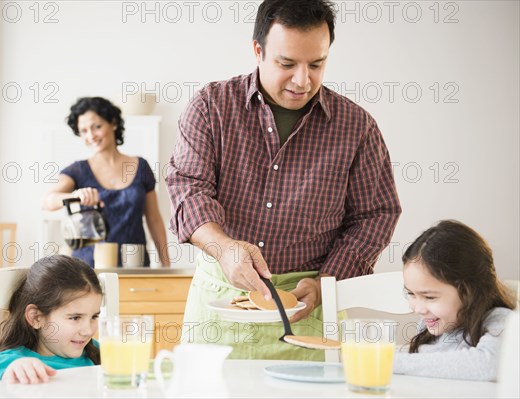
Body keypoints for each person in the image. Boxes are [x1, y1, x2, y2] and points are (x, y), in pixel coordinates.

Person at [165, 0, 401, 359]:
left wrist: (327, 282)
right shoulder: (211, 106)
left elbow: (376, 215)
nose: (302, 80)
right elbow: (188, 187)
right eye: (287, 64)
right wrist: (225, 249)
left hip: (309, 304)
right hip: (223, 295)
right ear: (258, 50)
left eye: (316, 64)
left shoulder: (357, 127)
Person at [42, 96, 170, 268]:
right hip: (88, 268)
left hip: (133, 263)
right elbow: (47, 201)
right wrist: (75, 195)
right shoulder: (77, 170)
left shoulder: (141, 167)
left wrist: (166, 265)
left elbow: (154, 219)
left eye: (97, 127)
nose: (91, 136)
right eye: (84, 131)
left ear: (113, 123)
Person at [393, 220, 516, 381]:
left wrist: (389, 362)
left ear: (469, 290)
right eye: (411, 294)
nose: (418, 309)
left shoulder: (501, 321)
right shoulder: (429, 324)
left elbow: (489, 365)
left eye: (429, 297)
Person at [0, 255, 103, 383]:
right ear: (36, 318)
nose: (88, 331)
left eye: (94, 316)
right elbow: (0, 389)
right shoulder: (13, 362)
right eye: (75, 318)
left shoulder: (94, 349)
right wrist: (16, 372)